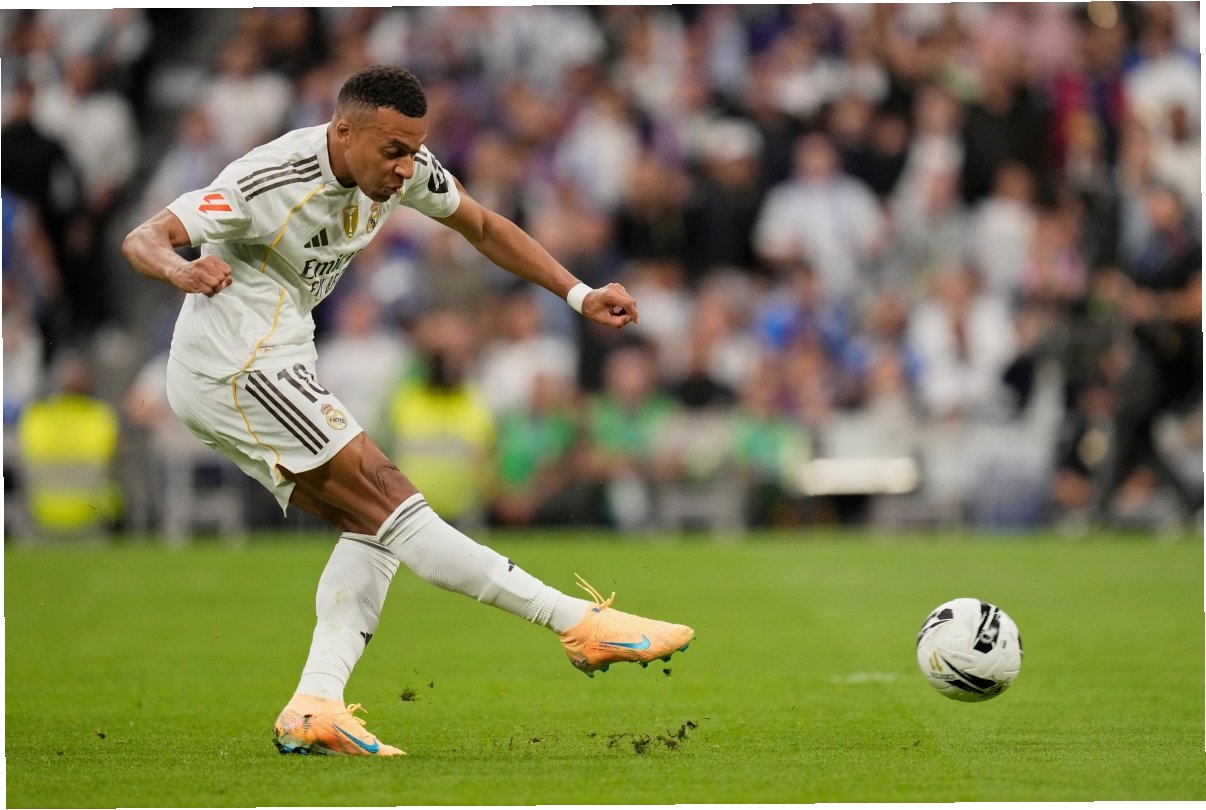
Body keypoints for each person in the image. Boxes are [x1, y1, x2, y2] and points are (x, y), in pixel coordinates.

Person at [122, 65, 694, 758]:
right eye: (392, 150)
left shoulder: (405, 169)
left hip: (275, 357)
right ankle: (576, 622)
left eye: (414, 149)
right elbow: (144, 236)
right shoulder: (268, 180)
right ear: (344, 131)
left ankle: (316, 704)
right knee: (396, 503)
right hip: (235, 364)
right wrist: (182, 269)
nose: (405, 167)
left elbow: (482, 224)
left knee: (375, 529)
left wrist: (579, 294)